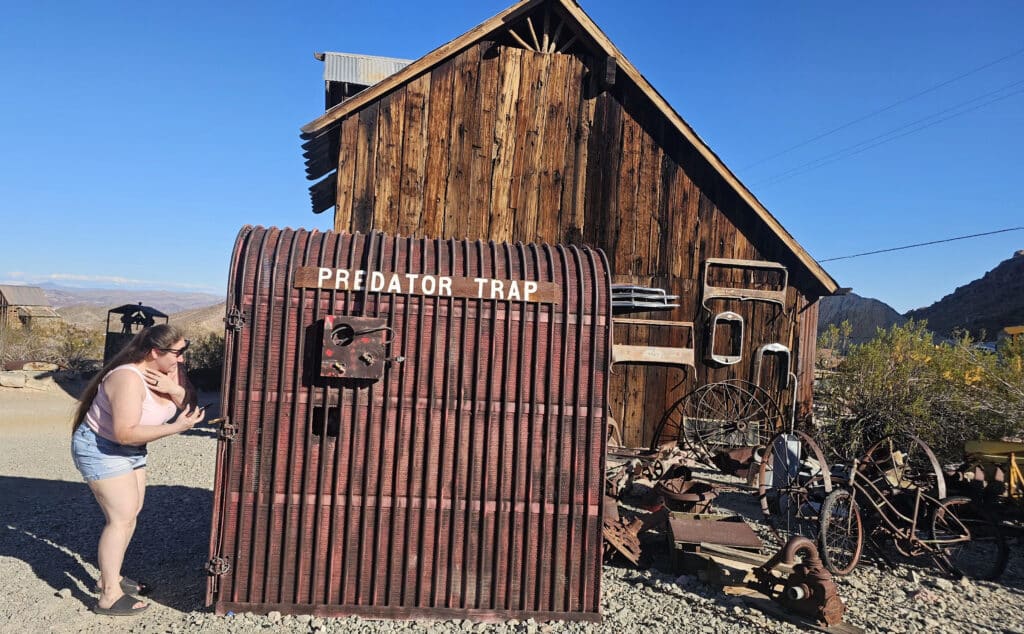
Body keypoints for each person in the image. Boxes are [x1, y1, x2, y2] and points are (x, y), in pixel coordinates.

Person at [70, 324, 205, 616]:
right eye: (178, 352)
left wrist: (174, 389)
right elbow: (125, 433)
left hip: (132, 450)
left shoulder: (168, 371)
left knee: (130, 514)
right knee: (120, 519)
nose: (182, 358)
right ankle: (108, 595)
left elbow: (190, 404)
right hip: (103, 449)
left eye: (184, 350)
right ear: (155, 352)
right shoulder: (127, 379)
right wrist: (175, 428)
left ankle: (111, 576)